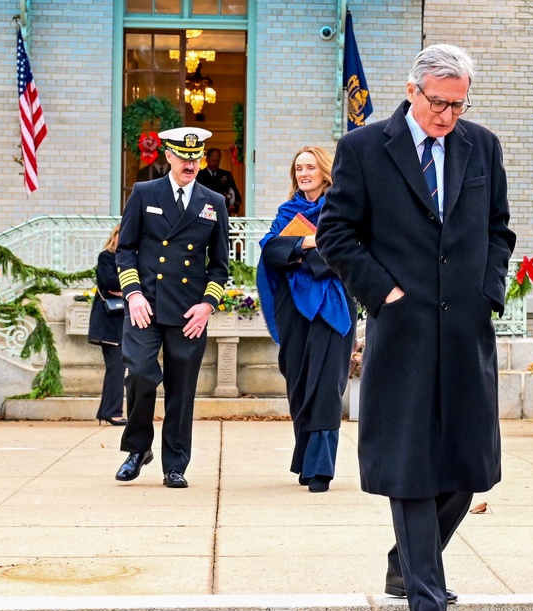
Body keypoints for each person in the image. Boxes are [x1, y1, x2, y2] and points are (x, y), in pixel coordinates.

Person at [317, 44, 516, 611]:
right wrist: (386, 294)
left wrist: (488, 290)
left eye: (459, 104)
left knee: (466, 468)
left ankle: (407, 562)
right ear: (412, 91)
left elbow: (498, 230)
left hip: (464, 334)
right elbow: (335, 233)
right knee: (410, 470)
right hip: (402, 333)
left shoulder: (481, 146)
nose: (448, 115)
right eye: (438, 102)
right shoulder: (363, 150)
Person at [114, 126, 230, 489]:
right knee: (142, 374)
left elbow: (220, 265)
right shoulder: (144, 192)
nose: (190, 164)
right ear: (168, 156)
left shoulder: (215, 202)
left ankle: (175, 465)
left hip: (188, 311)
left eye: (195, 158)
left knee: (182, 389)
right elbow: (125, 249)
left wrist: (207, 305)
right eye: (183, 157)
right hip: (145, 305)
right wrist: (132, 294)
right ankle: (137, 449)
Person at [256, 146, 354, 493]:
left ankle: (321, 469)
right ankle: (306, 460)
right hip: (292, 308)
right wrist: (306, 245)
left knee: (325, 386)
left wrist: (301, 251)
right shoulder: (288, 211)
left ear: (325, 171)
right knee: (298, 383)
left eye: (310, 167)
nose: (304, 173)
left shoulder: (341, 209)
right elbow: (271, 251)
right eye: (298, 168)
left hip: (331, 307)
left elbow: (344, 252)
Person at [88, 223, 126, 426]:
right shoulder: (107, 257)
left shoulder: (130, 259)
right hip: (109, 322)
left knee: (117, 368)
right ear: (115, 237)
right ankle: (113, 412)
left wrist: (124, 288)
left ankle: (107, 411)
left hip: (122, 322)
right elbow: (110, 282)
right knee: (116, 368)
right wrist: (128, 285)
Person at [196, 148, 241, 216]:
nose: (216, 163)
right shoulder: (199, 175)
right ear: (207, 160)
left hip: (223, 213)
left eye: (218, 161)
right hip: (205, 214)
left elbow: (237, 196)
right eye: (213, 161)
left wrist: (234, 206)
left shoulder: (227, 175)